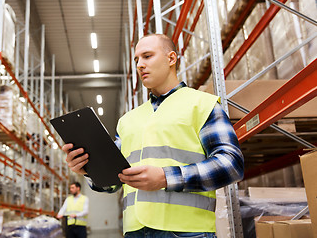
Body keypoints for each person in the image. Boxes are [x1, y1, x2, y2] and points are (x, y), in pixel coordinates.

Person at [62, 34, 244, 238]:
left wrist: (166, 178)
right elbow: (112, 182)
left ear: (171, 59)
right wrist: (88, 169)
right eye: (137, 60)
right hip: (135, 231)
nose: (140, 65)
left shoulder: (202, 105)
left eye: (147, 56)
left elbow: (231, 164)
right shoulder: (127, 121)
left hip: (186, 231)